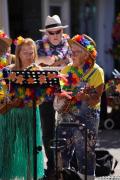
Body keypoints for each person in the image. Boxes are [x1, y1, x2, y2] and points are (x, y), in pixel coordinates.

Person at [54, 34, 104, 180]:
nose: (72, 54)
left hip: (87, 117)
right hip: (65, 116)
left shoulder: (96, 71)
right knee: (60, 153)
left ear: (87, 54)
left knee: (85, 155)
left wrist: (86, 97)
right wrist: (59, 97)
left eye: (76, 52)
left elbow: (96, 99)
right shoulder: (66, 70)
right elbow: (59, 94)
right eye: (71, 51)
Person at [0, 37, 44, 179]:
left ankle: (30, 177)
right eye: (25, 52)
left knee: (30, 150)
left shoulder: (39, 71)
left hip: (29, 114)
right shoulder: (7, 71)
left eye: (31, 53)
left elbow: (41, 99)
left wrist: (33, 97)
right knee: (9, 150)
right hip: (10, 115)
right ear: (18, 54)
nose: (29, 56)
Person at [36, 14, 72, 177]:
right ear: (46, 34)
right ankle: (51, 166)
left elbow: (72, 63)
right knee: (48, 131)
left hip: (66, 95)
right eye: (52, 33)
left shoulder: (69, 44)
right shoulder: (38, 45)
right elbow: (35, 61)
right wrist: (51, 61)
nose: (55, 35)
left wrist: (52, 61)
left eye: (58, 32)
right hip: (45, 96)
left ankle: (65, 165)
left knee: (66, 131)